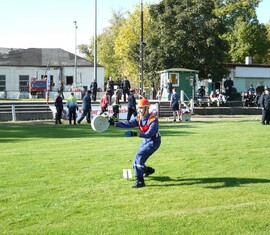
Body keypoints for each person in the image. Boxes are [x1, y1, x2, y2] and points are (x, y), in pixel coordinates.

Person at [114, 98, 161, 188]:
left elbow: (149, 134)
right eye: (138, 108)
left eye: (141, 108)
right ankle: (147, 170)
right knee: (134, 164)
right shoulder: (139, 117)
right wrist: (115, 123)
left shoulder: (153, 119)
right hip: (145, 141)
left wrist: (134, 133)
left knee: (139, 156)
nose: (139, 110)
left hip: (154, 141)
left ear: (147, 108)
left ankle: (140, 181)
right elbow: (128, 123)